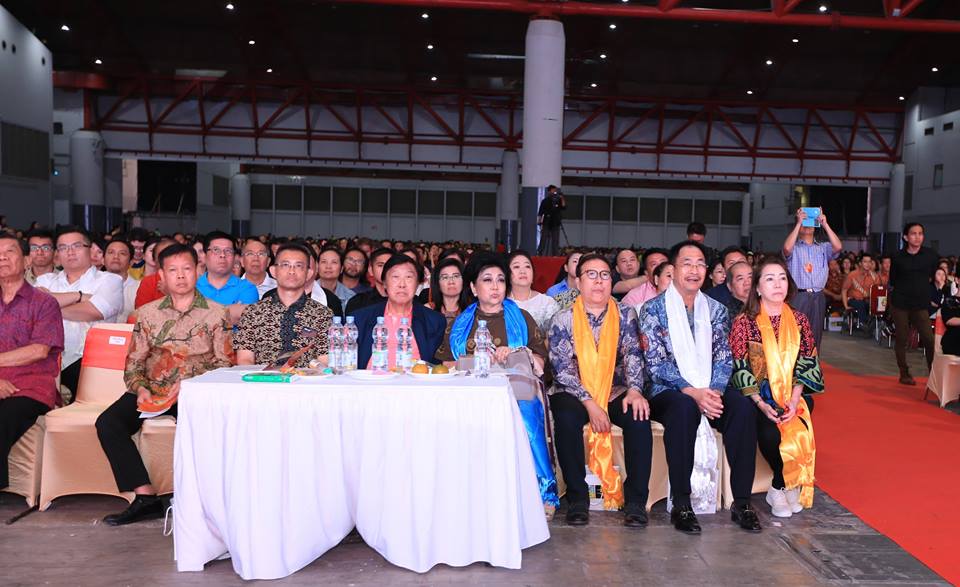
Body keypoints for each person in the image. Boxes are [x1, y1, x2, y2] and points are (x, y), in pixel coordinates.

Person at [95, 243, 234, 526]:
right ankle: (145, 497)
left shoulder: (217, 313)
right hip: (154, 390)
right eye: (173, 270)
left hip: (195, 392)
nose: (180, 276)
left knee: (207, 428)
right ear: (161, 276)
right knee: (108, 423)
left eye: (187, 269)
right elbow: (134, 362)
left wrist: (191, 384)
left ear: (198, 271)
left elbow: (224, 363)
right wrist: (140, 387)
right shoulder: (146, 314)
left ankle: (204, 500)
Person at [639, 240, 761, 534]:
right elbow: (655, 363)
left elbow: (724, 357)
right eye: (687, 264)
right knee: (683, 409)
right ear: (673, 269)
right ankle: (682, 503)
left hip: (710, 389)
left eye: (700, 264)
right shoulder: (652, 309)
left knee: (742, 407)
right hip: (667, 391)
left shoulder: (716, 310)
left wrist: (714, 392)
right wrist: (692, 392)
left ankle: (742, 502)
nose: (694, 270)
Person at [439, 253, 557, 518]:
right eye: (487, 280)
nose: (495, 286)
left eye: (501, 280)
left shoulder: (522, 318)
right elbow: (445, 364)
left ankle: (542, 492)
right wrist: (474, 360)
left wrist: (517, 352)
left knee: (527, 411)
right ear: (473, 287)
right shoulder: (460, 324)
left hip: (515, 392)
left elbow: (540, 363)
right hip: (470, 393)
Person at [548, 253, 651, 527]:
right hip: (573, 391)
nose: (598, 281)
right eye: (591, 275)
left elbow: (633, 355)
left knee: (638, 415)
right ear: (578, 282)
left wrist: (635, 390)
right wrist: (590, 403)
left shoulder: (625, 314)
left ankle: (636, 501)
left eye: (605, 275)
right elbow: (562, 369)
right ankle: (577, 499)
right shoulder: (563, 318)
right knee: (566, 418)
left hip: (615, 389)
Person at [729, 256, 823, 518]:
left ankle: (779, 485)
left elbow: (807, 362)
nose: (778, 284)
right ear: (758, 288)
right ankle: (786, 483)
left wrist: (793, 400)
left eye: (782, 278)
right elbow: (740, 367)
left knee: (801, 417)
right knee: (771, 434)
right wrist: (761, 403)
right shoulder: (744, 322)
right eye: (769, 279)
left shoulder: (799, 320)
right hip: (758, 396)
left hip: (791, 394)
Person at [0, 233, 64, 493]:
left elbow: (39, 349)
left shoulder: (44, 302)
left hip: (29, 387)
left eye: (10, 251)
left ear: (26, 260)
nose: (2, 257)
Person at [35, 226, 124, 400]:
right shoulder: (45, 280)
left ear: (91, 249)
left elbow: (93, 311)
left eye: (76, 246)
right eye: (63, 247)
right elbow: (33, 310)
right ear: (57, 254)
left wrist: (47, 307)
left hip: (93, 366)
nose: (70, 252)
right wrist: (80, 296)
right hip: (47, 363)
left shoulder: (110, 280)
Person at [235, 243, 332, 368]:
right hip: (262, 378)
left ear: (309, 273)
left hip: (306, 379)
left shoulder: (322, 314)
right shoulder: (253, 313)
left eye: (298, 266)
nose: (291, 271)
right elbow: (245, 360)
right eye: (285, 265)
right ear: (273, 271)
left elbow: (324, 361)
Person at [351, 254, 446, 369]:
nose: (402, 284)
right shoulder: (360, 319)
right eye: (395, 277)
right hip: (371, 379)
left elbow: (437, 368)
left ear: (418, 284)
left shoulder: (434, 321)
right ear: (384, 283)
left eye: (409, 277)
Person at [782, 207, 843, 349]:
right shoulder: (795, 248)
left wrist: (825, 224)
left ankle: (813, 362)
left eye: (810, 221)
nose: (807, 225)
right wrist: (799, 223)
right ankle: (793, 362)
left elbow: (838, 247)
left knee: (815, 336)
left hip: (818, 295)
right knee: (795, 333)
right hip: (799, 295)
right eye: (805, 221)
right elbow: (786, 249)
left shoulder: (823, 247)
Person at [889, 222, 939, 385]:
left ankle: (933, 375)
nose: (917, 237)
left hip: (920, 304)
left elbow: (933, 275)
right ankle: (904, 373)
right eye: (913, 233)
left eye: (920, 233)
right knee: (902, 339)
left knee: (929, 339)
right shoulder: (897, 256)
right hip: (900, 302)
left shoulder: (930, 255)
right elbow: (893, 279)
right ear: (905, 237)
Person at [195, 231, 259, 325]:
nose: (222, 255)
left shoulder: (247, 288)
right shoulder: (193, 288)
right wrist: (231, 311)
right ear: (205, 256)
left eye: (228, 251)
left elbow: (247, 323)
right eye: (216, 250)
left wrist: (201, 314)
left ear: (234, 257)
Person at [508, 250, 560, 332]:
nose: (523, 271)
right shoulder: (500, 302)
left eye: (527, 266)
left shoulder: (546, 303)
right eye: (516, 267)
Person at [345, 247, 394, 315]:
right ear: (370, 270)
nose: (385, 269)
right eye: (380, 265)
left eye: (390, 265)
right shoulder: (358, 302)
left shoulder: (405, 300)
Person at [103, 239, 140, 323]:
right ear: (102, 260)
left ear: (131, 262)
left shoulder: (139, 288)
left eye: (122, 253)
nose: (116, 256)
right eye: (111, 252)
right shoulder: (91, 284)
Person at [134, 238, 177, 309]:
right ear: (155, 261)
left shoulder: (189, 279)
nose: (168, 261)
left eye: (172, 255)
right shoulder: (149, 282)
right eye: (162, 257)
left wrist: (172, 294)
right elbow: (141, 312)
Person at [427, 257, 470, 326]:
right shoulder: (427, 310)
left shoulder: (472, 311)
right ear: (437, 283)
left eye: (456, 276)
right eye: (445, 277)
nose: (451, 282)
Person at [842, 253, 879, 328]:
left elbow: (877, 291)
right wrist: (846, 306)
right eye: (865, 262)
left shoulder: (874, 276)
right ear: (860, 263)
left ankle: (873, 324)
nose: (867, 264)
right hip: (853, 300)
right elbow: (844, 290)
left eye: (869, 262)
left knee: (875, 305)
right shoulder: (852, 274)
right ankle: (864, 323)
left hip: (867, 300)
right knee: (860, 304)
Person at [537, 185, 566, 256]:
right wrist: (539, 221)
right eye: (553, 190)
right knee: (543, 238)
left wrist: (562, 198)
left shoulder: (558, 200)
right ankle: (540, 252)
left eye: (555, 190)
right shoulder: (545, 201)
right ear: (549, 191)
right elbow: (540, 212)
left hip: (556, 222)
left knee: (555, 239)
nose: (555, 192)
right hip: (547, 221)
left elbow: (563, 206)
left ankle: (555, 254)